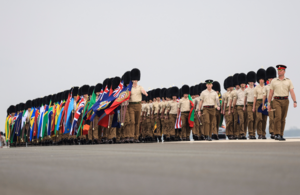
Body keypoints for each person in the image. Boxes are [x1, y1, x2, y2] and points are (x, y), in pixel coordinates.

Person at [268, 65, 297, 141]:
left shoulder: (288, 81)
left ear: (284, 71)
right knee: (278, 117)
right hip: (276, 100)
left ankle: (281, 134)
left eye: (281, 70)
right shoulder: (274, 81)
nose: (279, 71)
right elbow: (271, 93)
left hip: (285, 100)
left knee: (283, 118)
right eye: (278, 70)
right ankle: (276, 134)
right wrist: (268, 104)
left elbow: (292, 92)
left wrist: (295, 101)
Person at [128, 68, 148, 143]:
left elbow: (143, 91)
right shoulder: (130, 88)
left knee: (137, 122)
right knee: (132, 121)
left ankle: (136, 137)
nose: (135, 80)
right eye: (134, 79)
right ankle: (131, 136)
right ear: (132, 79)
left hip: (138, 105)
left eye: (136, 79)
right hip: (131, 105)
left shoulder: (140, 87)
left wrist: (145, 93)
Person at [231, 73, 247, 139]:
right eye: (241, 83)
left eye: (243, 83)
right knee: (241, 120)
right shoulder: (237, 92)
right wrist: (233, 108)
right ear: (240, 83)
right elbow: (235, 100)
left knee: (245, 121)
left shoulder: (247, 91)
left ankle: (243, 134)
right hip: (239, 107)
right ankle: (241, 133)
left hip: (246, 106)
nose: (242, 84)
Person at [253, 68, 267, 139]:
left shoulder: (266, 87)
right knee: (259, 118)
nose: (261, 80)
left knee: (264, 119)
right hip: (258, 103)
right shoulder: (256, 88)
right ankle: (259, 133)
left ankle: (264, 133)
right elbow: (255, 98)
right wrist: (253, 107)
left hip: (264, 103)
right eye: (260, 79)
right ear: (258, 80)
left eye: (262, 79)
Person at [263, 67, 276, 139]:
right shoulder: (266, 87)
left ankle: (277, 131)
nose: (271, 79)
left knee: (276, 117)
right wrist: (265, 104)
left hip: (276, 102)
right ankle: (272, 132)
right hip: (269, 102)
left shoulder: (276, 86)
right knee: (271, 118)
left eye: (272, 78)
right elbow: (265, 96)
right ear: (268, 79)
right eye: (269, 78)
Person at [244, 71, 256, 139]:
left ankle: (253, 133)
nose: (251, 82)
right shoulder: (246, 90)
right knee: (250, 119)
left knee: (254, 119)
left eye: (252, 81)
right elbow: (245, 99)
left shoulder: (256, 89)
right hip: (249, 104)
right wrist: (244, 106)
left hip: (254, 104)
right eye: (250, 81)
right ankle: (250, 133)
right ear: (248, 82)